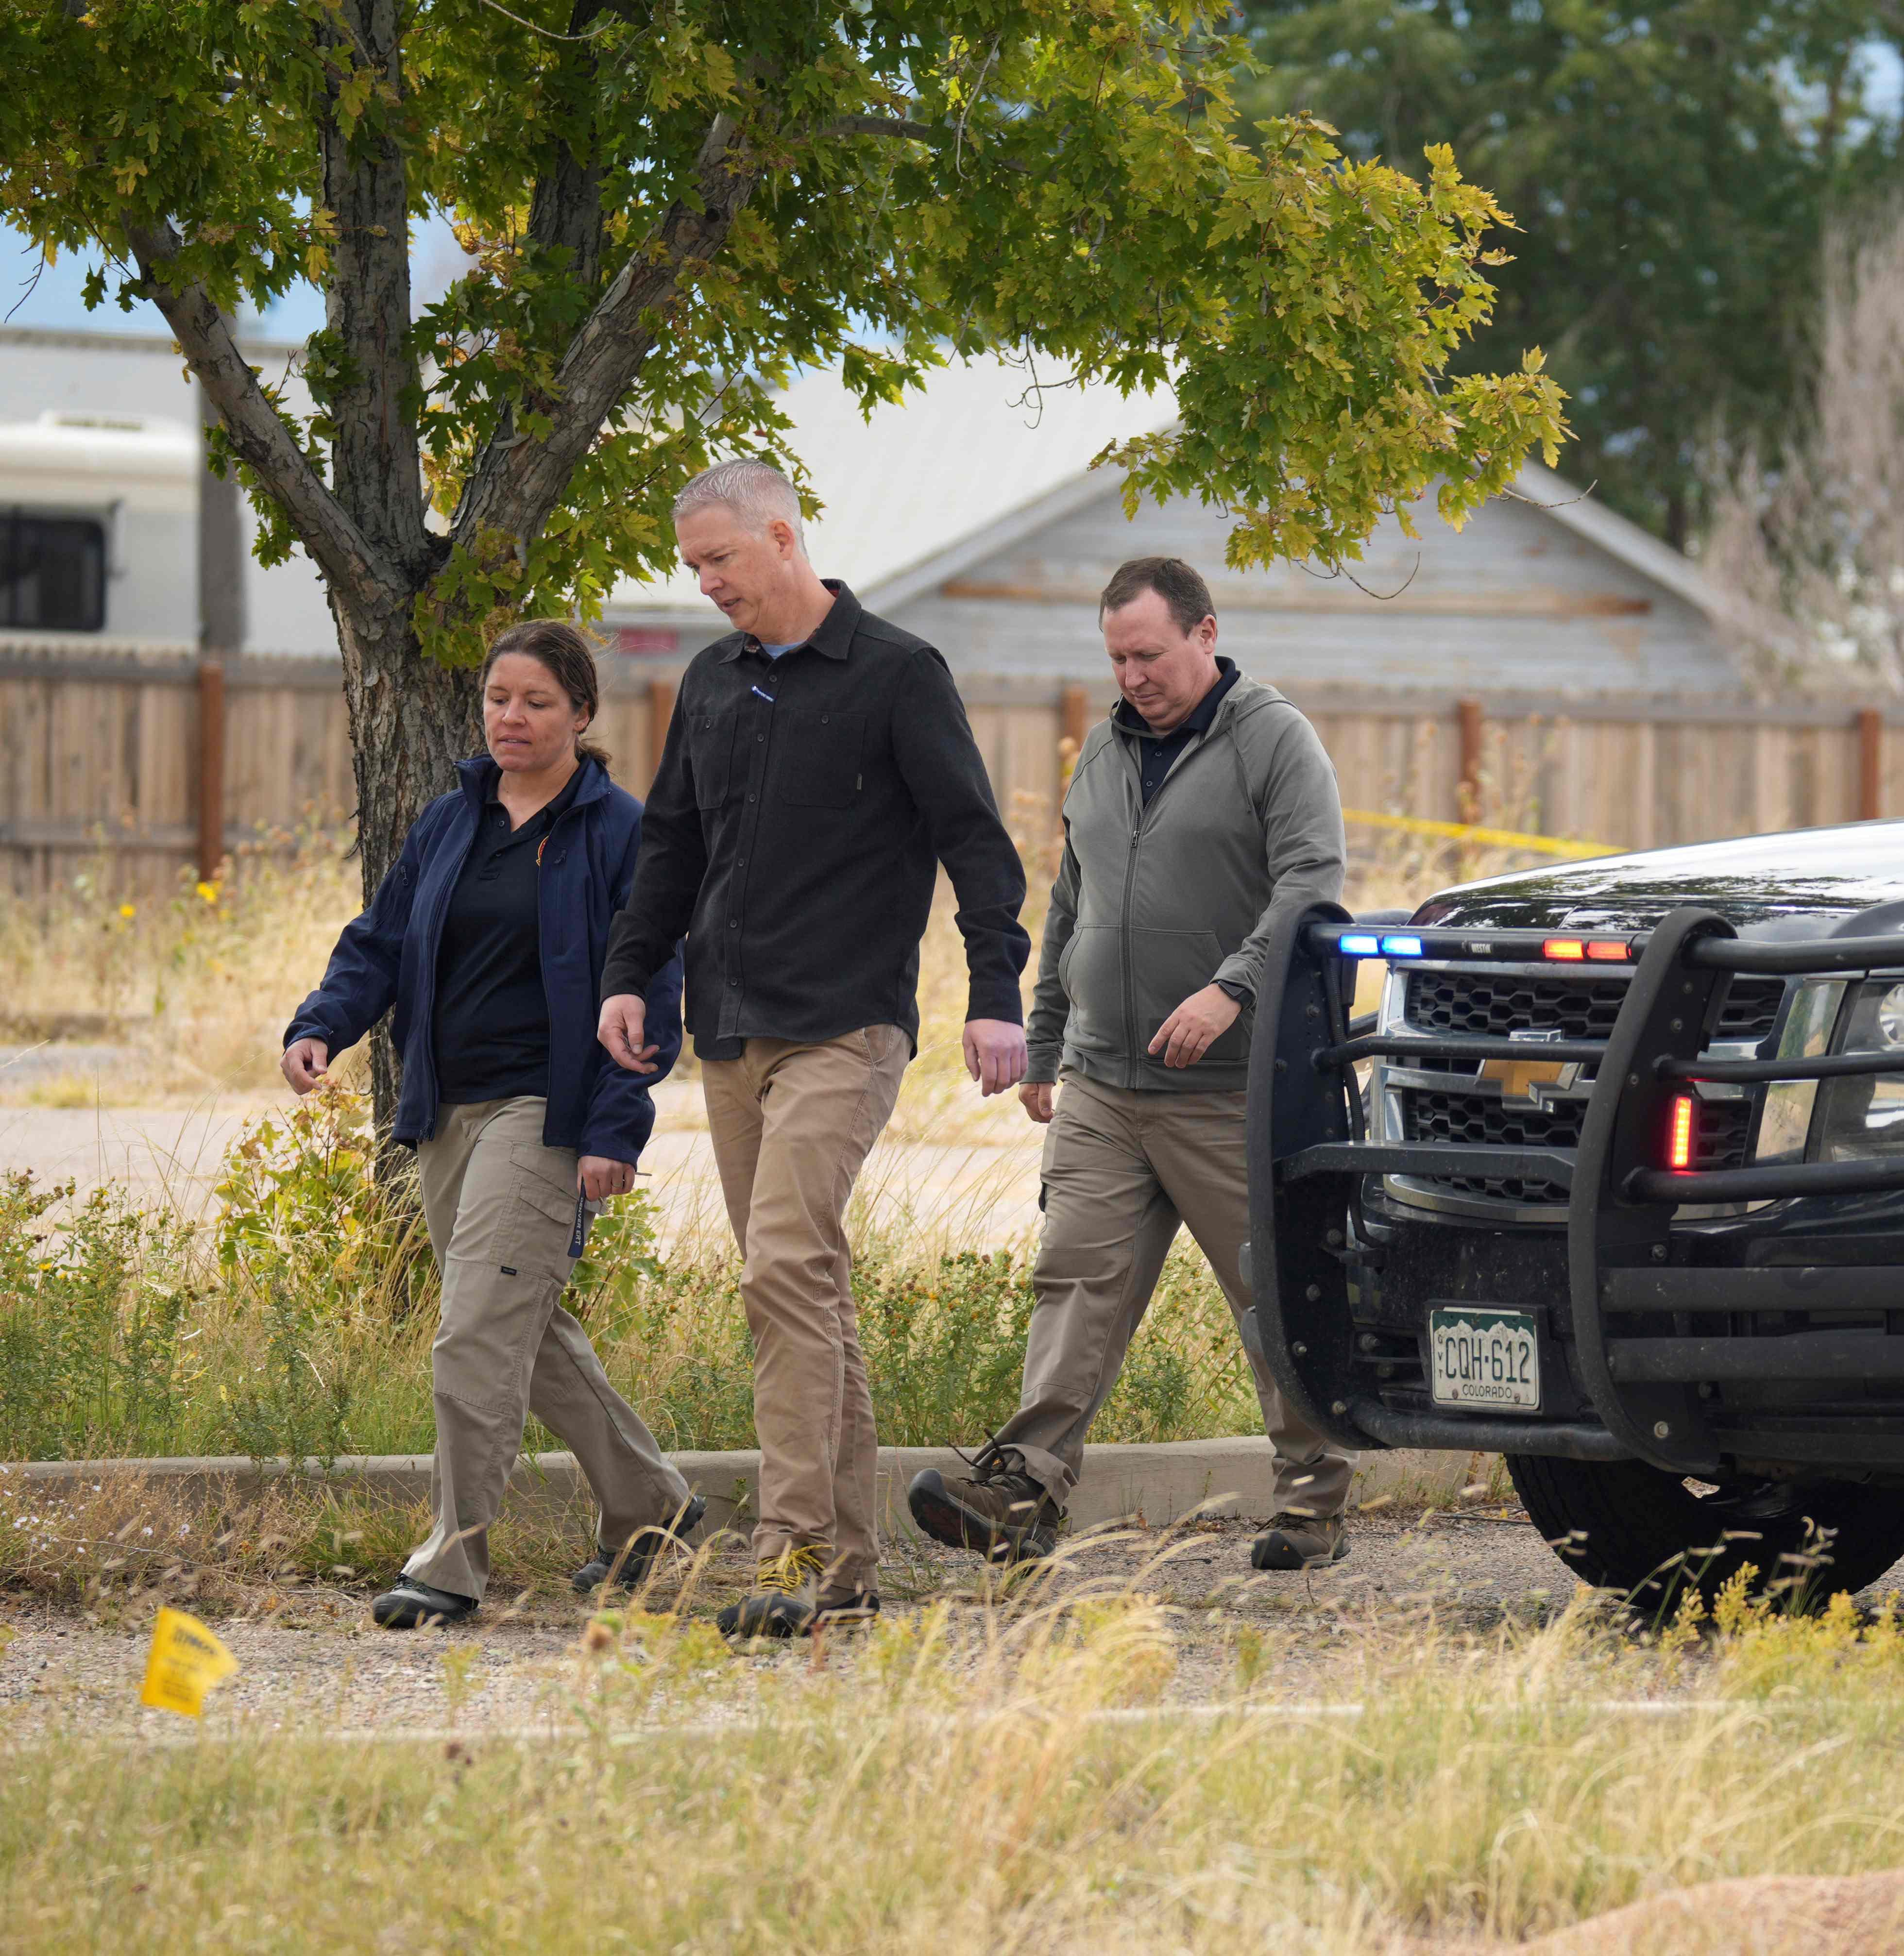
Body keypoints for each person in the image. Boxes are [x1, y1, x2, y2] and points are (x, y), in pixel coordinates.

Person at [598, 458, 1031, 1639]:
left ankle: (785, 1544)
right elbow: (671, 847)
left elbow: (976, 844)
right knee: (805, 1286)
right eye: (693, 566)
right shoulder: (711, 681)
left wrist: (996, 992)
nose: (706, 583)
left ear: (783, 538)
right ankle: (846, 1565)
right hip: (731, 1031)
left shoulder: (897, 672)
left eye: (720, 559)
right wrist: (630, 973)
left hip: (847, 1024)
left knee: (781, 1268)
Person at [907, 556, 1356, 1572]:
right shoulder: (1104, 749)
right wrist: (1048, 1040)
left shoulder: (1274, 739)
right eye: (1117, 657)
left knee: (1274, 1298)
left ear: (1205, 633)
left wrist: (1232, 985)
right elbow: (1076, 902)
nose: (1132, 675)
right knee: (1075, 1284)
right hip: (1105, 1084)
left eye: (1148, 654)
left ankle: (1312, 1502)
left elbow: (1312, 879)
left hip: (1230, 1090)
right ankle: (1022, 1492)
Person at [285, 621, 701, 1630]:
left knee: (473, 1331)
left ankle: (450, 1562)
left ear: (582, 714)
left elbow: (650, 987)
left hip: (545, 1113)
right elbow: (380, 941)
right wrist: (324, 1023)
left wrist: (614, 1128)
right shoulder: (450, 820)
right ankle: (655, 1507)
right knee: (525, 1327)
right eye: (497, 698)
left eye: (537, 701)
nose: (511, 718)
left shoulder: (619, 832)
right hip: (445, 1109)